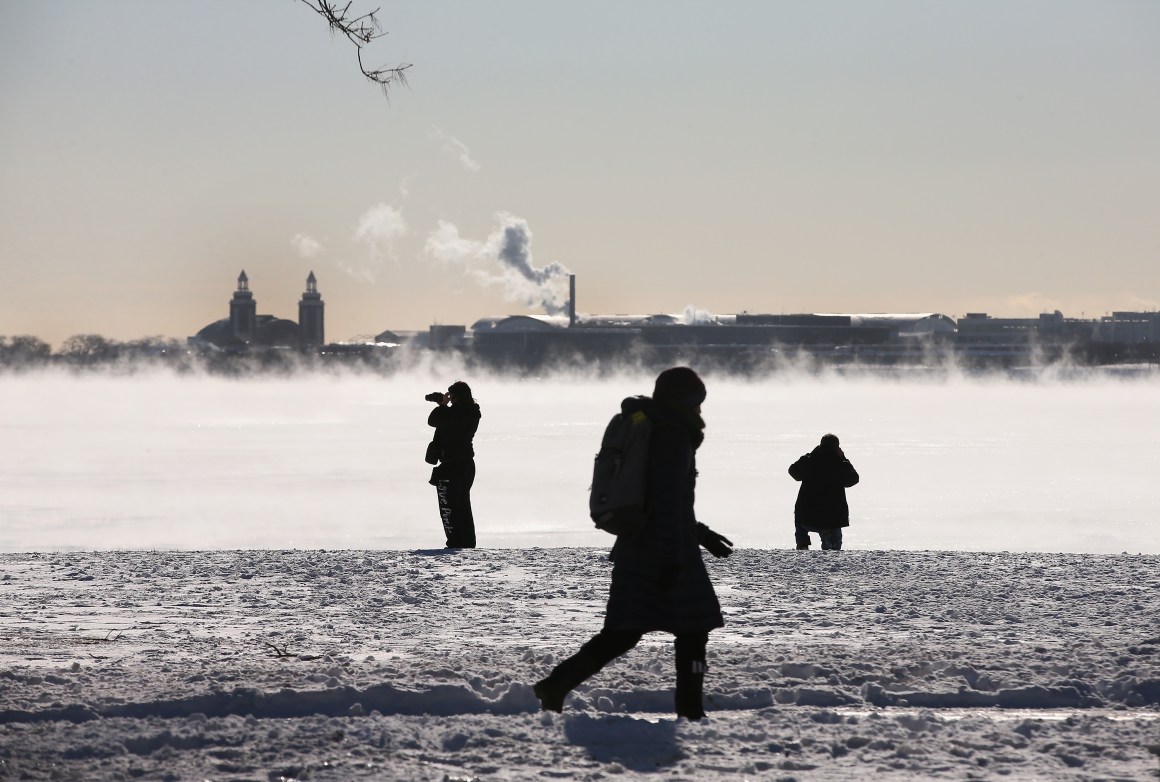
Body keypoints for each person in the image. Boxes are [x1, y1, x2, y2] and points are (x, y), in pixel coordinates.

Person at [533, 366, 734, 720]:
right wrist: (675, 558)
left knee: (624, 633)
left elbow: (662, 500)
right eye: (695, 401)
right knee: (691, 630)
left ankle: (557, 684)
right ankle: (690, 712)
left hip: (641, 546)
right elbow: (668, 500)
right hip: (665, 551)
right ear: (681, 401)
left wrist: (701, 535)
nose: (700, 410)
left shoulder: (657, 426)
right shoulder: (672, 434)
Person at [427, 381, 481, 548]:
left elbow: (433, 420)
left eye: (451, 396)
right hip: (466, 465)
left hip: (452, 466)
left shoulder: (455, 413)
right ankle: (467, 544)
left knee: (449, 508)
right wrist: (444, 406)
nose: (449, 399)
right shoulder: (472, 412)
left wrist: (442, 405)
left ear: (458, 396)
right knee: (463, 506)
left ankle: (456, 543)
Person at [788, 433, 859, 551]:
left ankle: (802, 541)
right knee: (833, 552)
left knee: (800, 521)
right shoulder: (839, 464)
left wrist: (810, 454)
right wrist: (843, 458)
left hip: (807, 514)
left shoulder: (810, 460)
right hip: (831, 517)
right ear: (837, 448)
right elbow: (853, 479)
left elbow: (793, 471)